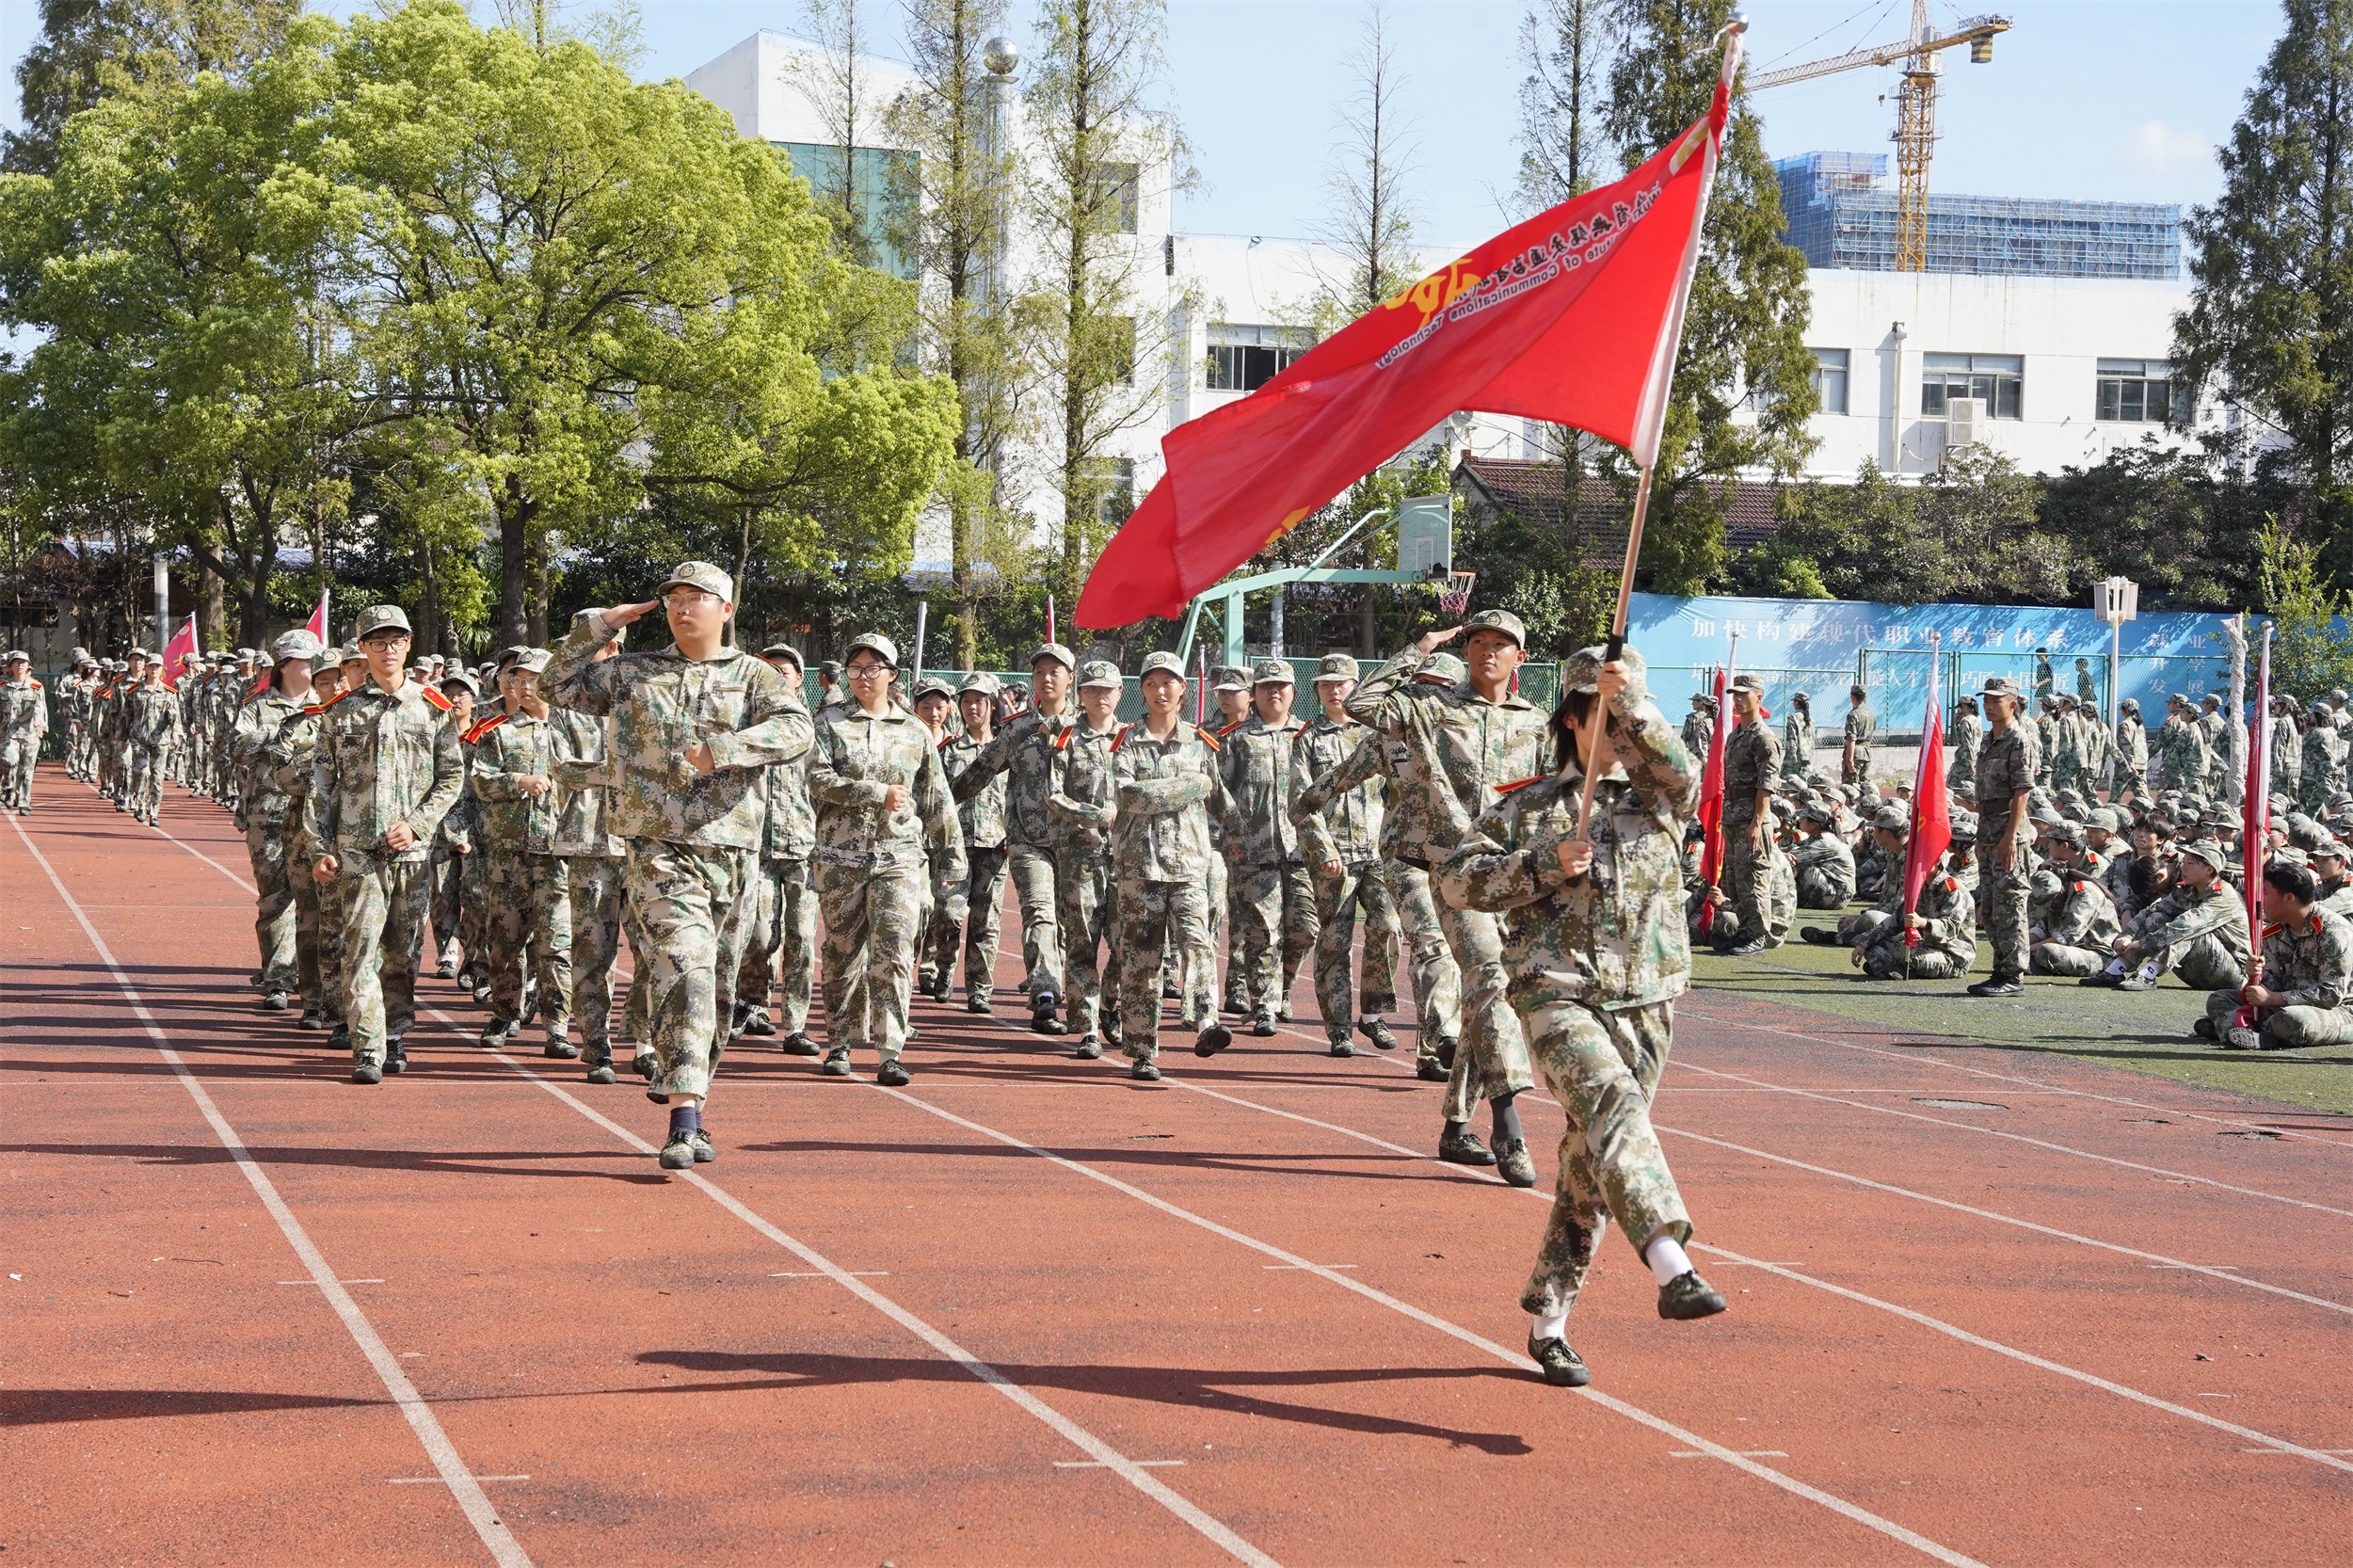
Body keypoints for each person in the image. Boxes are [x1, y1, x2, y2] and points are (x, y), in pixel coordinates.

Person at [1437, 644, 1724, 1391]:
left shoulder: (1661, 800)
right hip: (1555, 994)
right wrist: (1539, 866)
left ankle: (1549, 1321)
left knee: (1592, 1164)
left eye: (1631, 719)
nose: (1622, 733)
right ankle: (1673, 1263)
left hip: (1646, 999)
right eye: (1605, 716)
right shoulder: (1527, 806)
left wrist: (1631, 702)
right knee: (1613, 1108)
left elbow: (1677, 767)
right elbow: (1458, 881)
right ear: (1571, 718)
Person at [541, 564, 813, 1168]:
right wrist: (599, 625)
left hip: (731, 849)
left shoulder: (756, 677)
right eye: (674, 599)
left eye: (697, 598)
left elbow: (797, 731)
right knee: (686, 965)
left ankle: (688, 1084)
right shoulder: (632, 673)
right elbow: (555, 685)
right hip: (656, 848)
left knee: (716, 987)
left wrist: (726, 750)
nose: (682, 608)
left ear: (727, 609)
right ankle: (684, 1120)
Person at [1348, 610, 1545, 1182]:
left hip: (1514, 875)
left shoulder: (1536, 723)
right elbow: (1362, 703)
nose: (1488, 650)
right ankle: (1509, 1125)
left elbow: (1551, 796)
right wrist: (1423, 646)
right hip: (1455, 871)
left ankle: (1457, 1126)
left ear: (1519, 658)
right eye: (1478, 640)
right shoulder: (1430, 708)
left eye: (1501, 643)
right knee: (1489, 978)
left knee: (1491, 997)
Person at [305, 608, 464, 1082]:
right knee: (358, 951)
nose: (388, 649)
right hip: (357, 853)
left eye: (396, 640)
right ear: (363, 648)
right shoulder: (341, 712)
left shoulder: (433, 708)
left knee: (403, 954)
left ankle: (395, 1033)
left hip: (411, 855)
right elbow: (321, 786)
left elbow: (451, 776)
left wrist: (417, 825)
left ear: (409, 645)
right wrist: (319, 847)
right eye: (378, 641)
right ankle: (368, 1047)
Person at [1292, 654, 1467, 1081]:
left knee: (1414, 939)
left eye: (1440, 687)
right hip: (1396, 855)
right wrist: (1308, 817)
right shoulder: (1384, 734)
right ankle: (1345, 1028)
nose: (1429, 694)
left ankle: (1398, 1028)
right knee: (1413, 942)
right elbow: (1331, 781)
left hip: (1454, 857)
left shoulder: (1470, 733)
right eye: (1422, 684)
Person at [808, 632, 964, 1084]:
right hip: (840, 858)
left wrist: (952, 857)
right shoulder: (829, 722)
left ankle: (889, 1050)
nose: (862, 676)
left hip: (898, 857)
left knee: (894, 951)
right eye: (855, 668)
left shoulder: (914, 730)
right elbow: (816, 778)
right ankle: (840, 1041)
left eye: (872, 668)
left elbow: (936, 797)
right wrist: (874, 792)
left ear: (892, 675)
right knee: (842, 953)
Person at [1111, 650, 1237, 1079]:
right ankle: (1142, 1051)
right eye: (1151, 683)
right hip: (1140, 866)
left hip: (1189, 866)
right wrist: (1189, 786)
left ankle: (1205, 1021)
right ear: (1141, 690)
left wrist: (1235, 843)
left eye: (1168, 682)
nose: (1160, 691)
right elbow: (1128, 796)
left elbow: (1219, 799)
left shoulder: (1201, 742)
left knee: (1198, 943)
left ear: (1183, 688)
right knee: (1142, 961)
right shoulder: (1126, 740)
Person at [952, 642, 1080, 1035]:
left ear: (1070, 678)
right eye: (1039, 671)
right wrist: (939, 804)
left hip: (1078, 844)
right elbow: (979, 772)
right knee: (1038, 913)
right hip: (1029, 842)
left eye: (1055, 671)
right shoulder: (1017, 729)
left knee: (1074, 921)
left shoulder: (1087, 728)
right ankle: (1044, 996)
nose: (1046, 678)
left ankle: (1078, 994)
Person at [467, 648, 576, 1058]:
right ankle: (504, 1013)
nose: (526, 686)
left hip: (559, 856)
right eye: (519, 679)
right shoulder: (498, 732)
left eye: (534, 679)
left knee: (556, 945)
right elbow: (480, 781)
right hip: (509, 855)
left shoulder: (575, 731)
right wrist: (517, 781)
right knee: (505, 941)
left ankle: (557, 1026)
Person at [1289, 653, 1401, 1057]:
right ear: (1317, 690)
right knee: (1335, 940)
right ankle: (1338, 1028)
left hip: (1377, 850)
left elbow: (1398, 791)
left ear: (1356, 687)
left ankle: (1373, 1013)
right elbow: (1300, 800)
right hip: (1333, 856)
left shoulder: (1379, 735)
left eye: (1342, 684)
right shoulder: (1307, 740)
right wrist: (1323, 849)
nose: (1334, 691)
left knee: (1388, 926)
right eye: (1326, 684)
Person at [1221, 658, 1318, 1036]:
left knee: (1306, 928)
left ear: (1293, 691)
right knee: (1262, 931)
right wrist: (1231, 838)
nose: (1274, 692)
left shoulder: (1307, 735)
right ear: (1254, 693)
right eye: (1265, 686)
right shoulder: (1236, 738)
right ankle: (1264, 1005)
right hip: (1252, 852)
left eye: (1281, 686)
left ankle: (1282, 988)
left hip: (1301, 849)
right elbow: (1219, 794)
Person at [733, 641, 820, 1057]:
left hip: (803, 849)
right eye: (770, 669)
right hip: (759, 848)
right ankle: (751, 1003)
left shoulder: (814, 727)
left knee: (802, 940)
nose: (778, 676)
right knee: (760, 935)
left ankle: (796, 1025)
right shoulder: (747, 725)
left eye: (785, 671)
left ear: (799, 679)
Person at [1045, 660, 1127, 1058]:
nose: (1100, 696)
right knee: (1082, 943)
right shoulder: (1066, 738)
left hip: (1127, 857)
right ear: (1080, 694)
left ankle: (1109, 1003)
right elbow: (1054, 795)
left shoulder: (1132, 738)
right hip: (1079, 855)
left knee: (1128, 943)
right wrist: (1096, 815)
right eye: (1092, 689)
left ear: (1120, 694)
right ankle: (1087, 1028)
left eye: (1107, 689)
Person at [2197, 859, 2353, 1050]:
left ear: (2288, 898)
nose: (2260, 901)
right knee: (2219, 999)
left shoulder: (2333, 932)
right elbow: (2272, 983)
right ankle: (2250, 1034)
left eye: (2265, 893)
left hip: (2338, 1010)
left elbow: (2330, 994)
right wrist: (2256, 976)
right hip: (2286, 1002)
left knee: (2293, 1020)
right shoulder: (2275, 931)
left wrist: (2274, 998)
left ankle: (2242, 1030)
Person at [932, 672, 1011, 1016]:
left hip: (995, 846)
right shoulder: (949, 751)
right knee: (947, 914)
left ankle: (979, 990)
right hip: (955, 847)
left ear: (992, 705)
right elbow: (936, 796)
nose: (972, 707)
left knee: (986, 923)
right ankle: (944, 964)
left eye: (979, 701)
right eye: (966, 701)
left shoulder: (1007, 752)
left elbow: (1018, 797)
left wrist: (1013, 834)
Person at [2087, 840, 2251, 991]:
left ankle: (2147, 975)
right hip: (2198, 970)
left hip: (2232, 974)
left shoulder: (2222, 895)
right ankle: (2115, 970)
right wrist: (2127, 935)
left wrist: (2144, 943)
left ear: (2209, 869)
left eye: (2190, 863)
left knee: (2188, 929)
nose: (2184, 867)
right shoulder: (2187, 890)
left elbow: (2187, 925)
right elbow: (2150, 911)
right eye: (2184, 862)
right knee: (2156, 917)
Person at [1967, 675, 2039, 999]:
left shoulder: (2018, 739)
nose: (1989, 706)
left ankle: (2013, 974)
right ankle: (1999, 970)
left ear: (2012, 704)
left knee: (2010, 904)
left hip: (2009, 831)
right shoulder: (1988, 739)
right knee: (1992, 906)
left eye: (1996, 701)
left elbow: (2022, 791)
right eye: (1986, 700)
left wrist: (2010, 837)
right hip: (1987, 829)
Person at [1852, 827, 1977, 980]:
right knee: (1873, 945)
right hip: (1925, 945)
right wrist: (1865, 942)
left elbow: (1951, 929)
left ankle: (1889, 968)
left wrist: (1923, 923)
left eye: (1921, 861)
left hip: (1953, 954)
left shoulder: (1952, 889)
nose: (1916, 865)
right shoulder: (1919, 886)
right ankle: (1893, 969)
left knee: (1906, 953)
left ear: (1937, 862)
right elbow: (1896, 919)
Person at [1716, 674, 1782, 955]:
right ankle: (1744, 931)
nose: (1738, 699)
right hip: (1732, 818)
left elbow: (1766, 784)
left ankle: (1758, 935)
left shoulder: (1764, 738)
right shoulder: (1735, 735)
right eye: (1735, 694)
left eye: (1744, 694)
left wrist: (1756, 822)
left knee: (1754, 878)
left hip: (1751, 820)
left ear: (1759, 697)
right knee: (1734, 879)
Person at [2026, 823, 2122, 976]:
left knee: (2047, 951)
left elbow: (2065, 938)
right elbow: (2042, 926)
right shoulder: (2057, 870)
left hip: (2094, 952)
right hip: (2069, 944)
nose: (2048, 846)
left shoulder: (2086, 892)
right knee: (2017, 947)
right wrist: (2019, 944)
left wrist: (2025, 950)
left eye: (2051, 841)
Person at [1, 650, 50, 815]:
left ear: (28, 665)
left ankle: (23, 802)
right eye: (16, 662)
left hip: (29, 732)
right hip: (9, 732)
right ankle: (8, 787)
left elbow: (40, 707)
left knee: (26, 770)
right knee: (9, 760)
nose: (20, 665)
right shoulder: (3, 686)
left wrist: (39, 724)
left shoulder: (36, 687)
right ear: (10, 666)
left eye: (23, 662)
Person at [1790, 801, 1856, 908]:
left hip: (1837, 897)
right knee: (1793, 852)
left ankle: (1784, 896)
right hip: (1830, 889)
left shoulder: (1826, 842)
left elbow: (1795, 856)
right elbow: (1793, 849)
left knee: (1802, 864)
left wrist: (1780, 854)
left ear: (1813, 824)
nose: (1799, 821)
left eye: (1802, 819)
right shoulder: (1815, 837)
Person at [1842, 683, 1876, 790]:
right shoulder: (1871, 715)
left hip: (1855, 752)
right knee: (1864, 787)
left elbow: (1851, 738)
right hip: (1867, 752)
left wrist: (1850, 759)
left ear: (1853, 697)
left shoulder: (1853, 715)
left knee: (1850, 788)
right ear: (1865, 697)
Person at [1781, 692, 1813, 781]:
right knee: (1804, 782)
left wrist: (1791, 757)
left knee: (1787, 782)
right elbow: (1812, 739)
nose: (1793, 703)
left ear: (1797, 702)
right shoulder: (1810, 719)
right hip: (1807, 756)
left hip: (1795, 757)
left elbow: (1791, 738)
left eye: (1794, 701)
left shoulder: (1793, 717)